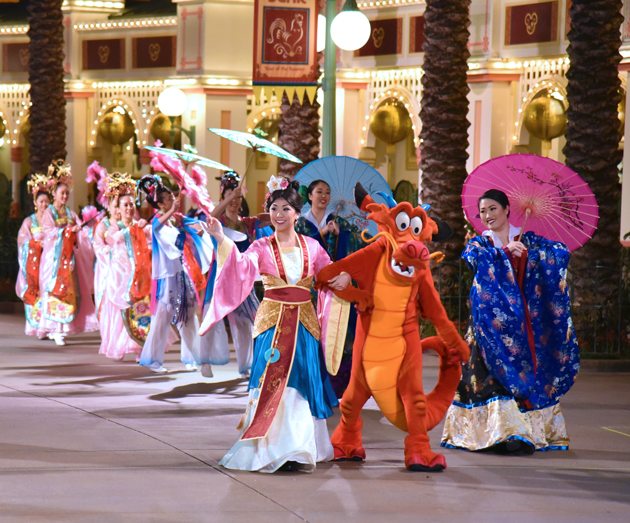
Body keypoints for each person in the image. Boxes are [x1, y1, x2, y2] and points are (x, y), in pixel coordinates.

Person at [199, 176, 351, 473]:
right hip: (272, 323)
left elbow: (329, 274)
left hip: (304, 326)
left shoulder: (312, 247)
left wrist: (345, 275)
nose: (278, 214)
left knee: (301, 384)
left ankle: (299, 448)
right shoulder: (260, 246)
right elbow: (241, 267)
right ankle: (271, 448)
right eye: (273, 208)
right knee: (273, 381)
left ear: (297, 213)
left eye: (285, 209)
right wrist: (220, 238)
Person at [441, 189, 580, 454]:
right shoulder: (481, 243)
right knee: (488, 381)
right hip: (488, 329)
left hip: (523, 329)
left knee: (526, 379)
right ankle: (503, 434)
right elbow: (472, 259)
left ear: (507, 209)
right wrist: (505, 252)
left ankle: (520, 433)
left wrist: (529, 255)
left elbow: (560, 253)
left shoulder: (528, 239)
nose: (487, 215)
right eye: (482, 211)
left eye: (493, 209)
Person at [295, 179, 367, 398]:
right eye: (319, 192)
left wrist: (342, 235)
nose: (323, 196)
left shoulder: (340, 223)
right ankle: (309, 384)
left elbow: (358, 247)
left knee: (337, 333)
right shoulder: (300, 223)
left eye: (327, 192)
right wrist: (323, 232)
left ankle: (336, 387)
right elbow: (298, 248)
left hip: (333, 289)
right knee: (310, 333)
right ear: (310, 196)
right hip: (309, 289)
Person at [137, 175, 213, 373]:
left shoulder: (175, 219)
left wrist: (205, 230)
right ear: (160, 204)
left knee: (187, 314)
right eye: (169, 199)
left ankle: (192, 357)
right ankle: (152, 360)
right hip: (166, 276)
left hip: (180, 272)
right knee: (161, 318)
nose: (174, 201)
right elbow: (157, 228)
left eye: (173, 198)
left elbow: (197, 227)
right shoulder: (156, 222)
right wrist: (172, 212)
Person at [198, 172, 269, 378]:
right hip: (220, 277)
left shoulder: (247, 224)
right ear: (224, 198)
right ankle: (205, 361)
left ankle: (246, 365)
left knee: (250, 321)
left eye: (237, 197)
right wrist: (228, 197)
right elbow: (211, 215)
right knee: (211, 319)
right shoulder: (217, 223)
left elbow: (268, 219)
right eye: (229, 196)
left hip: (242, 279)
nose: (234, 201)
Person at [38, 160, 98, 345]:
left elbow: (80, 231)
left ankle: (63, 328)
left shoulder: (71, 214)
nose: (64, 196)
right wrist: (66, 231)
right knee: (54, 290)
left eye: (66, 193)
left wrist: (81, 230)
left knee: (68, 292)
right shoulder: (49, 212)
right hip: (54, 260)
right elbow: (48, 233)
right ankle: (54, 328)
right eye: (61, 193)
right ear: (54, 194)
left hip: (69, 258)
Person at [16, 174, 52, 337]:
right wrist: (37, 245)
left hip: (49, 263)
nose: (44, 205)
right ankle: (36, 327)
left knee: (49, 292)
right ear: (35, 203)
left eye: (47, 202)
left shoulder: (53, 219)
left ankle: (49, 326)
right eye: (41, 202)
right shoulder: (29, 222)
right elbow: (22, 240)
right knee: (36, 293)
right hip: (34, 264)